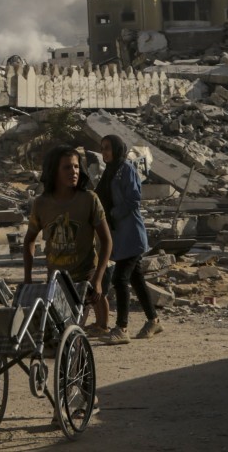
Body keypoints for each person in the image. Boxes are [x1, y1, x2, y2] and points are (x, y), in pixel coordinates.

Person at [23, 144, 112, 324]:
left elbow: (106, 240)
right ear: (53, 171)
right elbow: (29, 241)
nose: (74, 171)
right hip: (56, 279)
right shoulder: (41, 204)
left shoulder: (89, 199)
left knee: (74, 329)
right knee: (58, 330)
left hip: (85, 277)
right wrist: (27, 278)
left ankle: (102, 327)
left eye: (76, 166)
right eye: (67, 167)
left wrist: (98, 278)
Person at [95, 134, 162, 344]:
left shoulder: (127, 169)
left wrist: (112, 214)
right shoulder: (109, 171)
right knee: (136, 278)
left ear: (117, 149)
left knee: (120, 279)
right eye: (102, 148)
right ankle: (153, 320)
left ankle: (121, 328)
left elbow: (134, 199)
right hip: (119, 235)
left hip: (130, 233)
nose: (104, 152)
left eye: (108, 148)